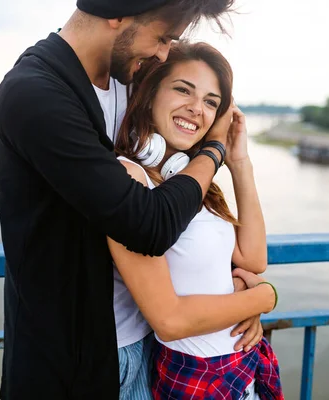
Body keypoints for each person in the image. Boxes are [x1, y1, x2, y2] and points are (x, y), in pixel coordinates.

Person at [0, 1, 239, 398]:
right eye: (161, 38)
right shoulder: (35, 93)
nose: (162, 53)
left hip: (147, 345)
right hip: (71, 364)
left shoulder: (131, 81)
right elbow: (148, 225)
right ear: (117, 12)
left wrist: (237, 292)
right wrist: (214, 152)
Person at [109, 41, 283, 399]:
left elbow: (253, 259)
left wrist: (238, 162)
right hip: (194, 376)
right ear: (150, 92)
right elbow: (170, 321)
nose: (195, 108)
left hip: (238, 369)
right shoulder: (129, 177)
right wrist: (263, 297)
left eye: (210, 102)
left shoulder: (194, 181)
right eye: (182, 90)